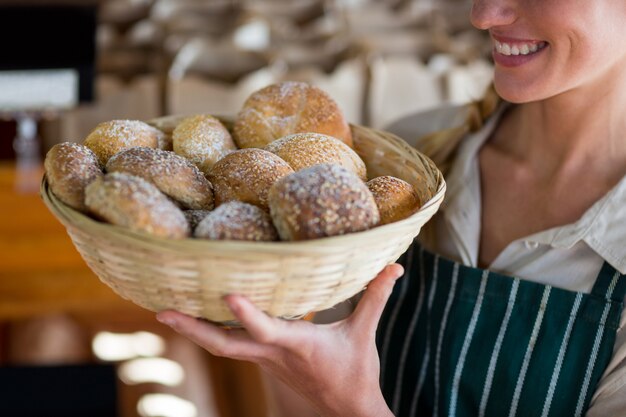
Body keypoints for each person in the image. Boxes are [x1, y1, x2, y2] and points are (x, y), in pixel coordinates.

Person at [156, 0, 626, 415]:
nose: (484, 15)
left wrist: (351, 404)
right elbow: (301, 395)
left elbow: (334, 398)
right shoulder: (409, 160)